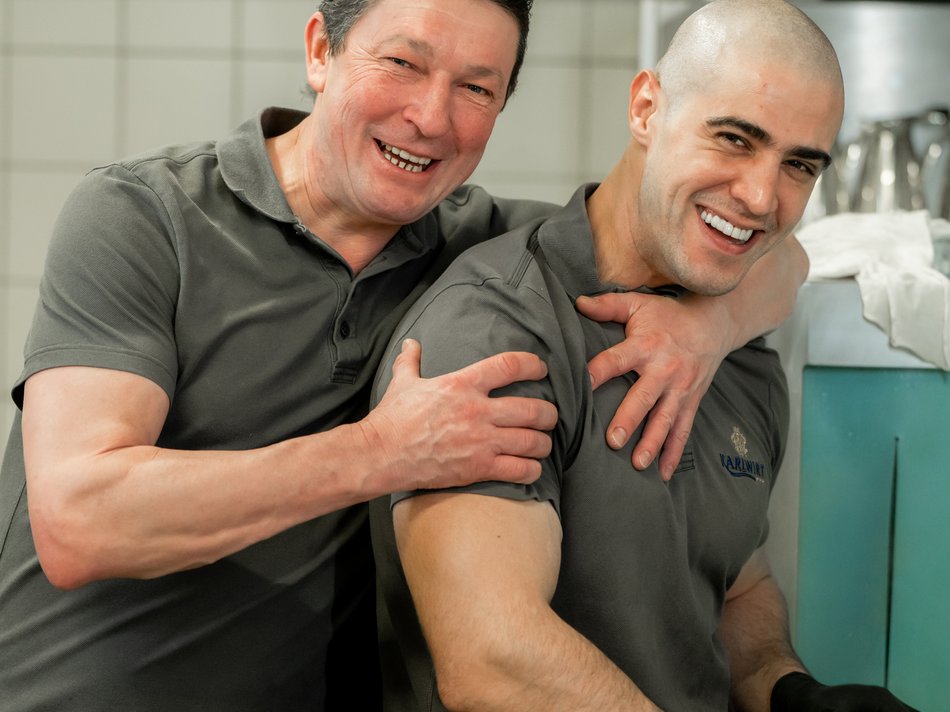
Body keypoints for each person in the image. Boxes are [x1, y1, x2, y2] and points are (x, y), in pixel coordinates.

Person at [0, 0, 806, 710]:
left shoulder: (475, 248)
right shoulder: (143, 217)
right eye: (402, 63)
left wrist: (711, 327)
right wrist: (380, 452)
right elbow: (81, 520)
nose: (431, 116)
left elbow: (776, 251)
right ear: (321, 51)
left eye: (477, 88)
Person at [369, 1, 920, 711]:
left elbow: (733, 578)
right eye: (733, 139)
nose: (760, 197)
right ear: (646, 109)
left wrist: (788, 689)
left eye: (799, 166)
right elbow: (493, 659)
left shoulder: (736, 343)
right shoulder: (500, 330)